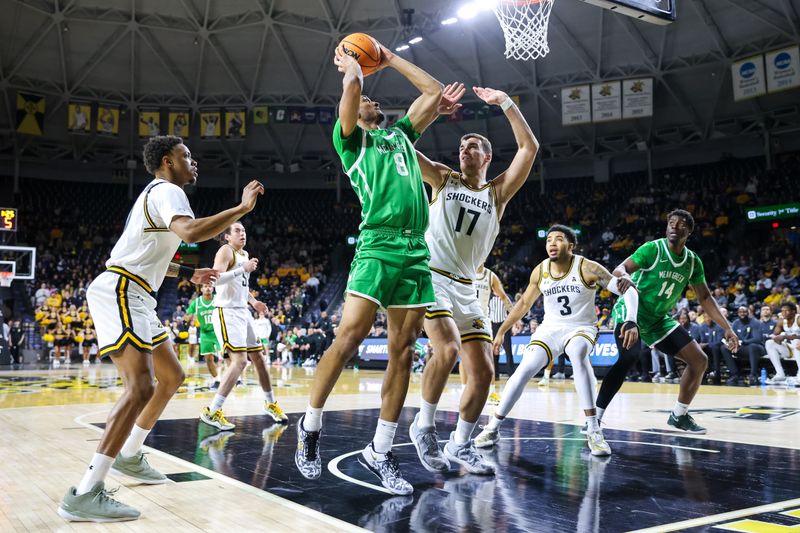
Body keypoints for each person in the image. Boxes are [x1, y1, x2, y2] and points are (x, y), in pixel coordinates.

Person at [58, 135, 264, 523]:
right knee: (141, 387)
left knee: (171, 375)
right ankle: (85, 492)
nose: (194, 162)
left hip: (136, 292)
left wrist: (188, 272)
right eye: (187, 156)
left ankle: (131, 454)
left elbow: (151, 253)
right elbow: (189, 233)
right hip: (122, 290)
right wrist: (240, 207)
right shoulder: (169, 190)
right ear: (168, 161)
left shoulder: (158, 194)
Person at [294, 39, 443, 496]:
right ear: (356, 113)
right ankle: (311, 425)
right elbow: (354, 92)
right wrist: (352, 65)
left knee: (403, 352)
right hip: (377, 246)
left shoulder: (399, 136)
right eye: (366, 101)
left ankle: (380, 450)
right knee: (350, 337)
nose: (375, 101)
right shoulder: (351, 142)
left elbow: (434, 93)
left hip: (416, 251)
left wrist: (391, 57)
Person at [409, 85, 538, 476]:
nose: (464, 150)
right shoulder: (443, 179)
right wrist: (425, 112)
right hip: (432, 278)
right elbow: (403, 150)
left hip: (469, 288)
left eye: (472, 146)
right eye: (461, 146)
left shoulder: (497, 193)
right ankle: (424, 426)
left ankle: (460, 443)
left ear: (487, 156)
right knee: (445, 352)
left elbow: (529, 149)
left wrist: (506, 103)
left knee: (483, 373)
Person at [474, 225, 639, 456]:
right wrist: (502, 330)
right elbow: (523, 304)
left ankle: (593, 429)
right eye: (549, 239)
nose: (552, 243)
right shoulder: (540, 270)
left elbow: (628, 290)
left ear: (571, 246)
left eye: (558, 239)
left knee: (578, 353)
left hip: (581, 327)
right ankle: (493, 427)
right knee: (524, 369)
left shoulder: (588, 267)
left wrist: (631, 320)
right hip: (550, 328)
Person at [594, 210, 741, 434]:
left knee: (699, 360)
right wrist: (623, 277)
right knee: (629, 357)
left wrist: (727, 328)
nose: (674, 226)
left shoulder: (692, 261)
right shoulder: (652, 249)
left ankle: (679, 416)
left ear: (688, 231)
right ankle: (595, 418)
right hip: (631, 313)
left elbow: (704, 297)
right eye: (671, 223)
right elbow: (620, 268)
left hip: (658, 320)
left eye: (681, 224)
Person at [200, 222, 288, 431]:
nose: (243, 233)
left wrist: (253, 301)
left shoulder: (245, 254)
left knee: (259, 358)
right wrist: (242, 268)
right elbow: (216, 280)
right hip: (226, 312)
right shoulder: (225, 251)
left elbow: (241, 285)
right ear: (227, 237)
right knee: (239, 362)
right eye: (237, 231)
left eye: (244, 230)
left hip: (243, 311)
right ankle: (212, 411)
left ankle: (270, 403)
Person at [472, 263, 513, 404]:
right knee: (464, 356)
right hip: (467, 316)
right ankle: (467, 389)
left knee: (489, 356)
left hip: (483, 319)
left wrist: (513, 314)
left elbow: (502, 296)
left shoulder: (490, 276)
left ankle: (492, 392)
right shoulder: (466, 271)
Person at [184, 283, 220, 388]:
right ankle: (216, 380)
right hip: (205, 333)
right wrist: (189, 317)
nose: (208, 288)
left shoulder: (219, 299)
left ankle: (236, 380)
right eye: (205, 286)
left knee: (227, 356)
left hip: (219, 332)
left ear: (213, 288)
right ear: (201, 289)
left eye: (209, 286)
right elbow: (186, 316)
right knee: (208, 359)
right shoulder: (197, 302)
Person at [721, 306, 766, 385]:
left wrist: (742, 342)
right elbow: (732, 337)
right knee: (724, 348)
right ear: (737, 313)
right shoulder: (735, 323)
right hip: (742, 348)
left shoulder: (755, 322)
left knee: (752, 346)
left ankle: (753, 375)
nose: (742, 314)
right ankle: (734, 374)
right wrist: (731, 343)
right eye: (740, 312)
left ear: (748, 312)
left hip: (758, 348)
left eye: (744, 312)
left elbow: (757, 339)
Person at [765, 302, 799, 384]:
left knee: (798, 342)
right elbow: (775, 334)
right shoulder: (781, 321)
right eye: (782, 311)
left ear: (793, 311)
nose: (783, 313)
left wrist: (784, 337)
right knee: (769, 343)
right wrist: (775, 338)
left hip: (798, 347)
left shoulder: (798, 319)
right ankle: (780, 374)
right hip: (792, 350)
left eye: (786, 311)